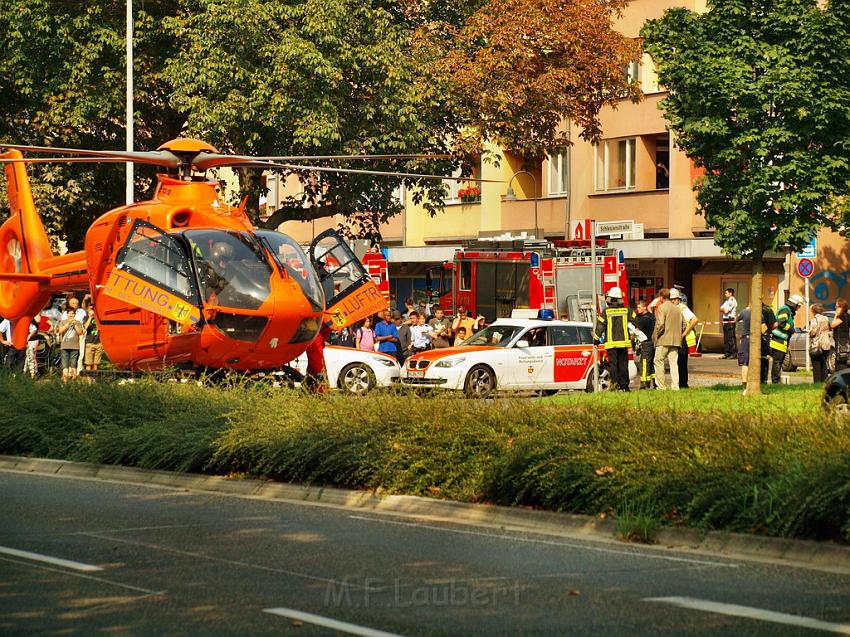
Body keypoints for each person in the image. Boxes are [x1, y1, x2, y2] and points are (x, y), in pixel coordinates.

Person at [594, 286, 635, 391]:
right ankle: (625, 386)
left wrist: (596, 339)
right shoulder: (627, 310)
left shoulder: (606, 312)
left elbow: (600, 326)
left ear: (611, 299)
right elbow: (636, 321)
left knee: (613, 365)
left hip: (611, 344)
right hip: (624, 343)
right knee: (623, 365)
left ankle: (615, 384)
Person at [768, 294, 804, 384]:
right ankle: (776, 381)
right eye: (798, 306)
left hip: (782, 340)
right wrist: (791, 329)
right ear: (794, 304)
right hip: (778, 340)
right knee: (777, 362)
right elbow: (781, 323)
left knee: (779, 362)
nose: (798, 308)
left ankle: (776, 380)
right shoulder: (785, 310)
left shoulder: (788, 311)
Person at [653, 288, 683, 390]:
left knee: (658, 361)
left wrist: (656, 335)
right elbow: (683, 324)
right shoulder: (677, 308)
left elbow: (661, 324)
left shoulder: (662, 307)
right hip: (676, 341)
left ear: (661, 297)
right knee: (674, 363)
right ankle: (675, 386)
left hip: (663, 339)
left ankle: (661, 386)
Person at [673, 290, 698, 389]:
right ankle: (680, 383)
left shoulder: (683, 308)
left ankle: (683, 384)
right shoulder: (675, 308)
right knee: (678, 362)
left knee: (682, 362)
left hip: (684, 339)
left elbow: (694, 320)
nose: (672, 301)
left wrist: (684, 333)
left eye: (674, 299)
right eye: (671, 299)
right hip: (678, 339)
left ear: (678, 299)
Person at [808, 304, 833, 383]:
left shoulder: (814, 320)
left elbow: (813, 332)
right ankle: (824, 381)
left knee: (816, 365)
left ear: (813, 311)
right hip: (826, 344)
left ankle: (817, 382)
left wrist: (808, 332)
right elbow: (830, 328)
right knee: (824, 364)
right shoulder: (826, 318)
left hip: (817, 345)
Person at [634, 300, 656, 389]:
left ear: (644, 307)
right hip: (652, 342)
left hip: (646, 344)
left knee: (644, 364)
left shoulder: (643, 319)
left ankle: (644, 384)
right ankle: (655, 383)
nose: (637, 309)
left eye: (639, 307)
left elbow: (637, 330)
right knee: (651, 364)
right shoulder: (651, 316)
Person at [58, 311, 84, 382]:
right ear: (67, 314)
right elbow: (60, 331)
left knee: (74, 364)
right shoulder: (63, 322)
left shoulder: (78, 322)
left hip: (75, 346)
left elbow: (80, 333)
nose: (71, 315)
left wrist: (75, 324)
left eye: (72, 313)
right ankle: (65, 381)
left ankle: (74, 380)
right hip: (64, 346)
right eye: (69, 313)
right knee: (64, 364)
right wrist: (68, 323)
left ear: (75, 314)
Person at [831, 298, 850, 371]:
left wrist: (836, 315)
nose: (835, 308)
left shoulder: (843, 316)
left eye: (837, 306)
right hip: (844, 341)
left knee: (841, 362)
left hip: (841, 343)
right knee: (841, 361)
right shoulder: (847, 315)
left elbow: (833, 325)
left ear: (842, 307)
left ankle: (842, 379)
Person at [721, 288, 738, 359]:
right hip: (725, 320)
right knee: (726, 338)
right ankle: (727, 353)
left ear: (730, 293)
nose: (725, 294)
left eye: (726, 293)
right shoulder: (727, 301)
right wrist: (723, 309)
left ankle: (733, 353)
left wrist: (723, 309)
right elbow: (720, 308)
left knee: (731, 337)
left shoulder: (732, 301)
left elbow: (726, 311)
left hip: (730, 320)